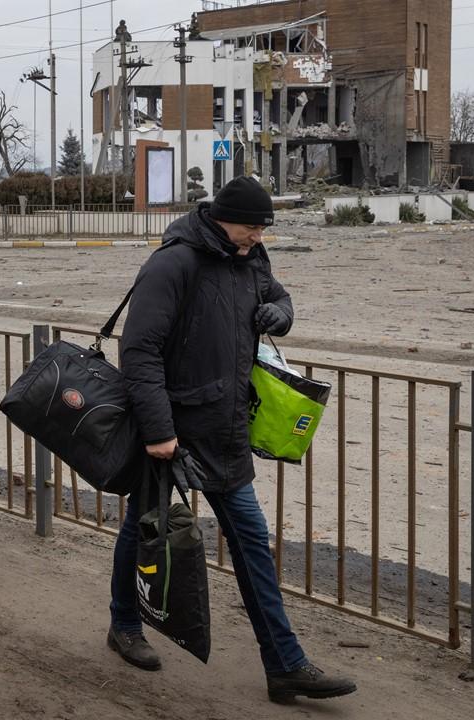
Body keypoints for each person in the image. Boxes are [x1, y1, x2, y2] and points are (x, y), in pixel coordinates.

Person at [109, 176, 356, 703]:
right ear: (223, 220)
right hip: (173, 432)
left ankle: (285, 664)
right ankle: (124, 624)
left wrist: (280, 316)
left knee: (252, 546)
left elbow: (280, 297)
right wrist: (158, 433)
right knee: (141, 529)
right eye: (252, 227)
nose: (259, 238)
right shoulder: (172, 263)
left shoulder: (250, 260)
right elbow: (140, 352)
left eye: (264, 229)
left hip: (226, 431)